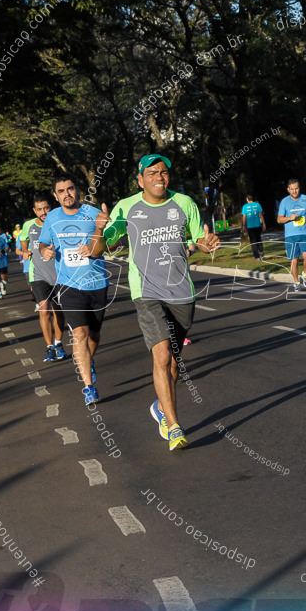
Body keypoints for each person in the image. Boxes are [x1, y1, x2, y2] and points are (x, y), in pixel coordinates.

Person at [92, 154, 219, 450]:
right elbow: (100, 249)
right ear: (140, 179)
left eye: (163, 172)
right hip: (146, 292)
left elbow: (199, 239)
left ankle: (161, 408)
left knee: (174, 361)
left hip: (181, 292)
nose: (159, 177)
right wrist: (100, 227)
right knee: (161, 355)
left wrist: (207, 243)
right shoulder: (126, 207)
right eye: (152, 173)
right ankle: (174, 426)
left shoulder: (185, 203)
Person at [38, 175, 109, 406]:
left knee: (95, 335)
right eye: (61, 191)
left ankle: (88, 361)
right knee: (79, 334)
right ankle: (89, 387)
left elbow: (108, 243)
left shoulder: (92, 213)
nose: (67, 194)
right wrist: (44, 252)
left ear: (77, 190)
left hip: (96, 282)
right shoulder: (52, 218)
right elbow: (43, 242)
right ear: (55, 195)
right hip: (68, 285)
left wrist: (97, 240)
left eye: (70, 189)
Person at [19, 193, 67, 362]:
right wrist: (25, 252)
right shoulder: (28, 226)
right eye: (39, 209)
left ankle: (59, 343)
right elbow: (23, 239)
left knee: (58, 312)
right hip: (38, 275)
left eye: (46, 207)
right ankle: (50, 347)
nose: (43, 212)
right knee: (44, 309)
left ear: (51, 207)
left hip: (59, 275)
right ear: (34, 210)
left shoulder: (58, 223)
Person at [277, 178, 306, 291]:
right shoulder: (284, 202)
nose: (295, 191)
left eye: (296, 188)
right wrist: (289, 217)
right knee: (294, 260)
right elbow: (279, 219)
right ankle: (296, 282)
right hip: (290, 235)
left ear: (299, 188)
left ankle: (305, 275)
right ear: (288, 189)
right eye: (292, 189)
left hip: (305, 233)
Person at [240, 194, 266, 261]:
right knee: (259, 239)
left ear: (247, 199)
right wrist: (263, 223)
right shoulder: (257, 205)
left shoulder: (245, 206)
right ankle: (262, 253)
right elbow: (261, 215)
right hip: (258, 225)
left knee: (253, 241)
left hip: (250, 226)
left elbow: (244, 217)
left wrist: (243, 226)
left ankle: (257, 256)